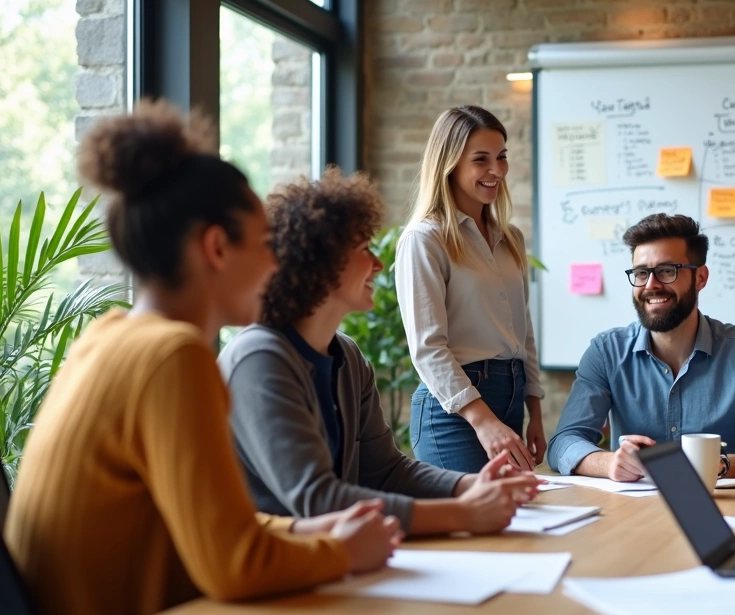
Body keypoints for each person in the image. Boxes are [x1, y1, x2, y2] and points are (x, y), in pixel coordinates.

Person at [4, 101, 401, 615]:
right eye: (264, 244)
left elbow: (219, 529)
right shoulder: (174, 356)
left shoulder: (107, 337)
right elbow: (235, 564)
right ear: (216, 247)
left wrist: (308, 530)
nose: (275, 263)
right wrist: (341, 551)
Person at [220, 168, 539, 535]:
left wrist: (470, 486)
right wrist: (462, 514)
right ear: (321, 264)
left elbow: (387, 472)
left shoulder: (349, 358)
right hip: (274, 574)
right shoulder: (259, 359)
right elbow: (316, 500)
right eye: (363, 249)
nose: (378, 264)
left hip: (335, 562)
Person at [547, 213, 735, 482]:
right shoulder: (606, 352)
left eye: (667, 271)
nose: (651, 285)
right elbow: (563, 443)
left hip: (724, 509)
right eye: (641, 273)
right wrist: (608, 463)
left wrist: (716, 466)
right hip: (632, 511)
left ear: (700, 277)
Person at [396, 105, 544, 474]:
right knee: (479, 526)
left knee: (516, 523)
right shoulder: (425, 238)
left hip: (510, 399)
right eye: (481, 160)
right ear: (450, 164)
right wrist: (483, 420)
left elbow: (522, 332)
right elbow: (428, 349)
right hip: (455, 414)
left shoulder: (511, 238)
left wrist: (535, 410)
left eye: (502, 157)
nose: (497, 170)